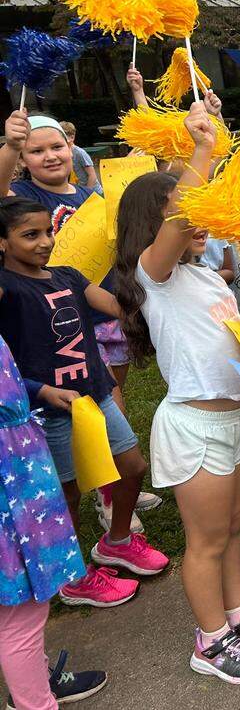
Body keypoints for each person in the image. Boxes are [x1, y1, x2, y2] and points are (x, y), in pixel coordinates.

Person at [114, 104, 240, 684]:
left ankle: (237, 614)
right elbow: (178, 223)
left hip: (233, 419)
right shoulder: (155, 275)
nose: (196, 222)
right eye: (181, 215)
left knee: (231, 529)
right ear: (157, 223)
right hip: (193, 428)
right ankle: (211, 640)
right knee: (206, 541)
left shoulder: (201, 275)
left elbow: (230, 346)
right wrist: (203, 151)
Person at [0, 194, 167, 609]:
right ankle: (74, 577)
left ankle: (117, 541)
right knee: (68, 496)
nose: (44, 242)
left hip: (94, 396)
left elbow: (117, 306)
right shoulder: (8, 288)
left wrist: (145, 265)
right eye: (30, 235)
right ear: (1, 242)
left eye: (48, 232)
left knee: (132, 468)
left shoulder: (69, 276)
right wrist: (39, 390)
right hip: (46, 410)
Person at [0, 112, 159, 532]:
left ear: (72, 148)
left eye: (56, 146)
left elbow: (117, 295)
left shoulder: (85, 216)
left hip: (96, 354)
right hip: (49, 371)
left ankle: (116, 514)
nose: (45, 241)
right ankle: (89, 539)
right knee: (71, 480)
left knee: (122, 433)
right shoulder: (18, 205)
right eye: (37, 150)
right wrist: (10, 148)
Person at [0, 333, 108, 709]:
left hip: (17, 468)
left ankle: (31, 682)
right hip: (10, 481)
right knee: (21, 612)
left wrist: (39, 390)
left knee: (18, 609)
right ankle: (34, 702)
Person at [58, 121, 99, 193]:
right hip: (80, 189)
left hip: (94, 192)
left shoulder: (79, 153)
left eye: (63, 137)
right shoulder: (64, 153)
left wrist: (87, 193)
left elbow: (92, 175)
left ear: (72, 137)